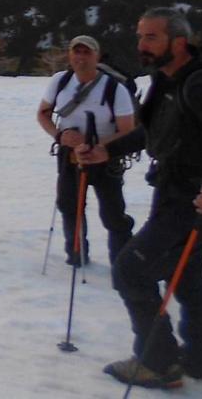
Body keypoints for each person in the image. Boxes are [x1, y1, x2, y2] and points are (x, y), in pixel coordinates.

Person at [77, 7, 202, 387]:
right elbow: (152, 131)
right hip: (178, 194)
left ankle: (158, 362)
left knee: (129, 270)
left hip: (194, 200)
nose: (141, 44)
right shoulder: (166, 78)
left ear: (179, 41)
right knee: (190, 274)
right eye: (140, 36)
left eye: (151, 37)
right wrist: (108, 149)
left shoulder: (200, 83)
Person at [36, 35, 136, 266]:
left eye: (86, 52)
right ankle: (76, 254)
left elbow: (128, 130)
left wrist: (96, 144)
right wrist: (60, 136)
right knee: (69, 206)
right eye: (76, 52)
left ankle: (121, 263)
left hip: (106, 158)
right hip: (69, 156)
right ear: (70, 55)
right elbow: (43, 113)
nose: (80, 57)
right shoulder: (60, 81)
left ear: (97, 56)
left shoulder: (114, 89)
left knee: (112, 214)